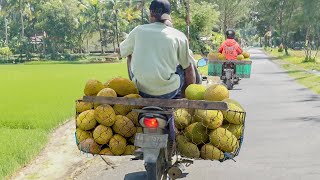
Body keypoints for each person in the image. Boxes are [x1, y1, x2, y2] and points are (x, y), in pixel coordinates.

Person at [118, 0, 196, 99]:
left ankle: (135, 83)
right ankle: (183, 98)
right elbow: (189, 70)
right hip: (168, 92)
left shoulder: (138, 31)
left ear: (151, 12)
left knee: (129, 53)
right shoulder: (178, 35)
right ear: (168, 15)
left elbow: (121, 52)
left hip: (140, 90)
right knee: (187, 65)